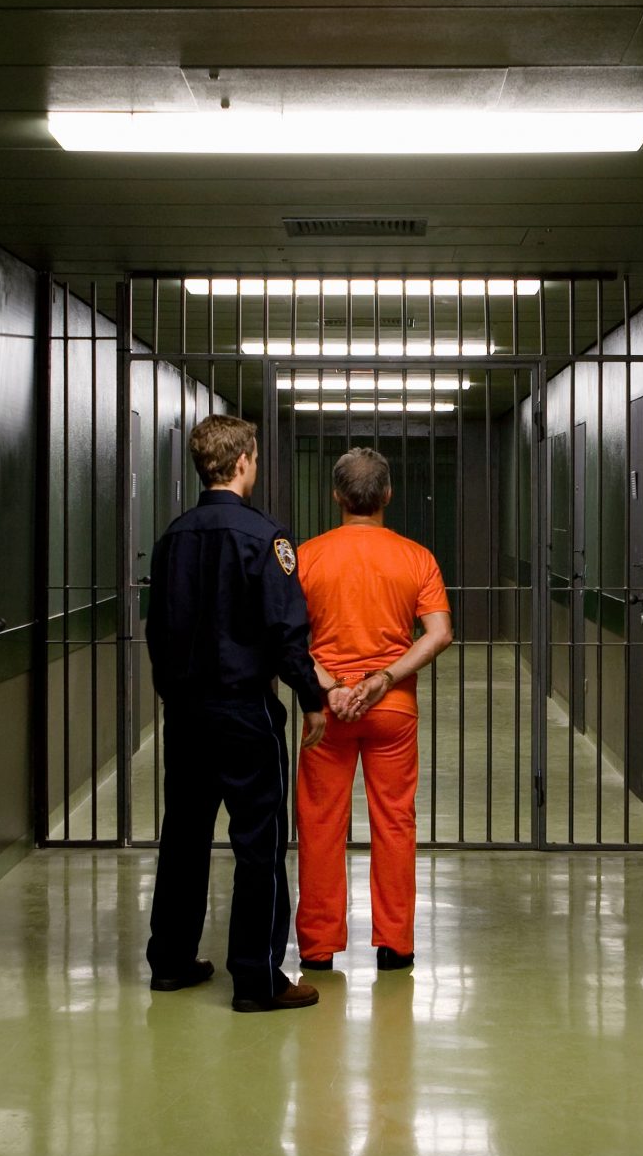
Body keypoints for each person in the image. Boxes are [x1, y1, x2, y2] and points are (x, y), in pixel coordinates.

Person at [145, 413, 332, 1012]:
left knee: (184, 834)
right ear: (246, 460)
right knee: (259, 840)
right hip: (244, 710)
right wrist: (312, 698)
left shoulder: (174, 536)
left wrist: (173, 689)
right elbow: (286, 632)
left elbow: (157, 629)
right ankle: (257, 978)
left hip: (186, 711)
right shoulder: (266, 537)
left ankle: (171, 961)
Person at [293, 447, 454, 975]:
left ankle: (317, 949)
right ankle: (395, 944)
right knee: (394, 823)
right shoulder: (416, 556)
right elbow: (439, 633)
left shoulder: (307, 555)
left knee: (320, 824)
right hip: (393, 710)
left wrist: (333, 686)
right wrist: (382, 678)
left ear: (337, 496)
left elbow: (289, 637)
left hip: (326, 712)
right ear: (387, 495)